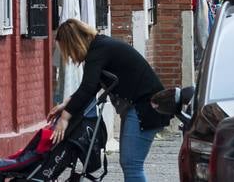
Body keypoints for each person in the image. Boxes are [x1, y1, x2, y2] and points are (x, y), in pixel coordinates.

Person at [48, 18, 170, 182]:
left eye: (68, 51)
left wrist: (64, 118)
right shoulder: (101, 47)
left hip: (146, 108)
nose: (70, 56)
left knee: (131, 164)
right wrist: (66, 104)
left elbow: (88, 88)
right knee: (129, 163)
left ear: (74, 43)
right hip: (144, 106)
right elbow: (94, 85)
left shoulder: (98, 51)